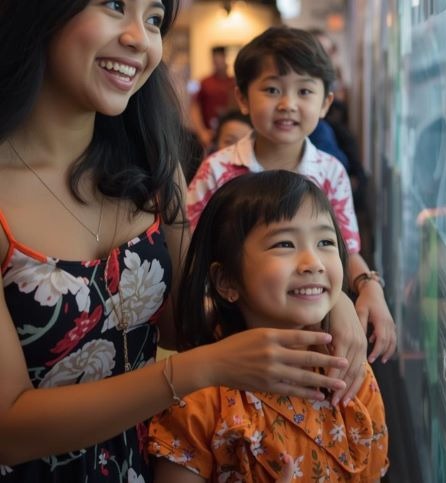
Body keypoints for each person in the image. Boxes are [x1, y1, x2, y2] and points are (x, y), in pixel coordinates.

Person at [0, 3, 368, 481]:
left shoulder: (152, 171)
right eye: (115, 6)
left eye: (154, 19)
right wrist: (197, 370)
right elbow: (9, 426)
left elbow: (192, 319)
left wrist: (327, 300)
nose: (139, 38)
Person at [149, 171, 389, 482]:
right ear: (226, 281)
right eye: (285, 244)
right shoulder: (198, 399)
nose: (313, 262)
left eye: (326, 241)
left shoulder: (351, 376)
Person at [187, 26, 397, 364]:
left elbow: (347, 249)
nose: (287, 104)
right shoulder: (217, 170)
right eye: (272, 89)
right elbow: (190, 247)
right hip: (232, 331)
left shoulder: (330, 172)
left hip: (314, 327)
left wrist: (369, 286)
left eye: (304, 91)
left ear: (326, 102)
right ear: (242, 98)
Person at [189, 46, 237, 150]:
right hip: (208, 136)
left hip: (229, 136)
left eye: (219, 59)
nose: (217, 63)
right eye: (214, 60)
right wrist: (201, 132)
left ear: (225, 59)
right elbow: (195, 108)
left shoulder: (233, 83)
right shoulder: (205, 82)